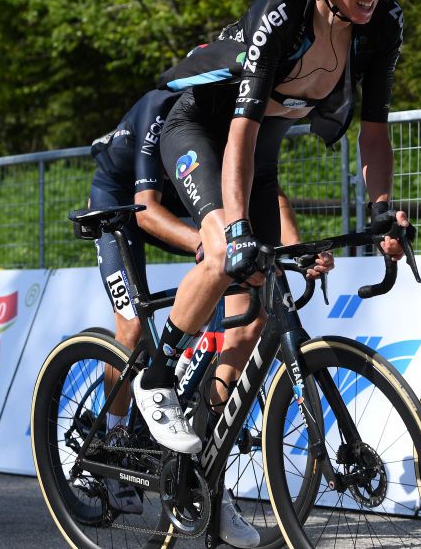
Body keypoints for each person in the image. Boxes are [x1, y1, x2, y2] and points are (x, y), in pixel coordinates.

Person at [130, 0, 410, 465]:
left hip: (259, 155)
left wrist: (382, 208)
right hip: (205, 131)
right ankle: (154, 375)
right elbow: (241, 133)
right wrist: (235, 229)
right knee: (219, 251)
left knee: (249, 322)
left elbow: (374, 132)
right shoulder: (282, 15)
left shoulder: (382, 26)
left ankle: (198, 462)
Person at [88, 88, 330, 543]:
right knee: (135, 326)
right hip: (125, 207)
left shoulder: (234, 114)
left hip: (186, 197)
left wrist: (295, 248)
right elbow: (149, 213)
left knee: (248, 321)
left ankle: (208, 479)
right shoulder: (164, 110)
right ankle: (117, 435)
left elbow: (266, 189)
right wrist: (213, 251)